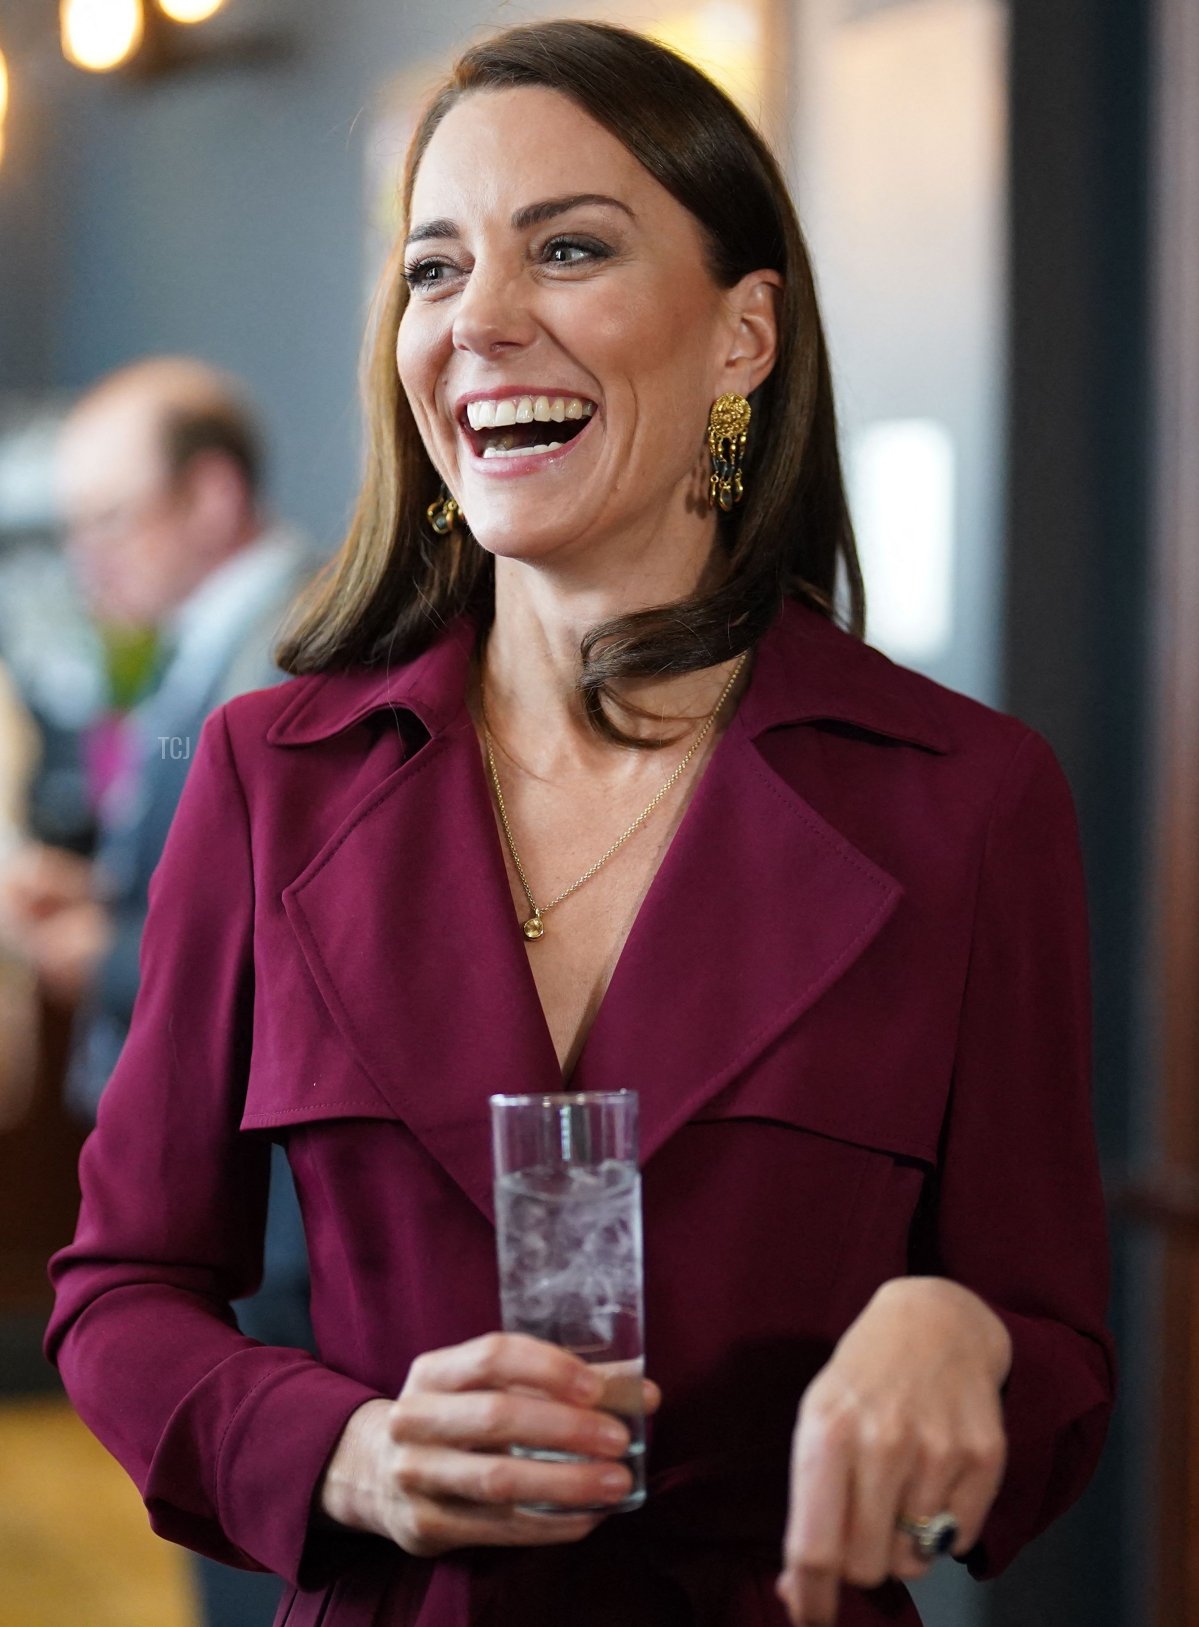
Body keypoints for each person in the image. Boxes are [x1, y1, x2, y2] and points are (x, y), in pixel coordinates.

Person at [44, 23, 1116, 1627]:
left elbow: (1059, 1359)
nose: (478, 319)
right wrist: (346, 1451)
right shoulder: (275, 773)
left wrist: (964, 1335)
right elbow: (119, 1290)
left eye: (568, 248)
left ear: (744, 332)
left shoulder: (966, 798)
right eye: (432, 268)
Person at [5, 358, 317, 1625]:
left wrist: (99, 951)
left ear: (213, 493)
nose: (88, 560)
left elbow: (287, 946)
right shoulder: (214, 641)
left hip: (274, 1196)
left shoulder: (291, 644)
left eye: (110, 518)